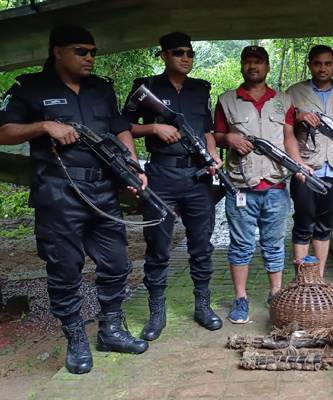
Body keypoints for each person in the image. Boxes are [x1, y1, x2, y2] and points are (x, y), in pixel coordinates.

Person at [0, 25, 148, 374]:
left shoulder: (101, 88)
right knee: (65, 270)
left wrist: (134, 167)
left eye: (93, 51)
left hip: (103, 192)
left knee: (115, 264)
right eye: (82, 51)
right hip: (58, 193)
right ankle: (76, 338)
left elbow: (120, 128)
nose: (90, 58)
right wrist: (44, 126)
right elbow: (3, 131)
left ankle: (111, 329)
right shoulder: (29, 86)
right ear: (58, 51)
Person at [123, 32, 223, 339]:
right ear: (163, 55)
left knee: (202, 246)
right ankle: (156, 313)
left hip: (198, 177)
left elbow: (206, 130)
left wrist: (214, 157)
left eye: (190, 53)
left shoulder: (199, 89)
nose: (186, 58)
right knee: (157, 247)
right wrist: (153, 127)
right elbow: (121, 126)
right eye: (179, 52)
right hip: (161, 176)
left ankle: (203, 307)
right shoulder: (147, 88)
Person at [213, 45, 305, 323]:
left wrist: (298, 163)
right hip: (241, 187)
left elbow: (289, 137)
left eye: (258, 62)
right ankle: (240, 298)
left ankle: (275, 293)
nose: (253, 66)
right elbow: (216, 136)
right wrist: (228, 139)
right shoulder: (227, 100)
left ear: (267, 66)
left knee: (274, 244)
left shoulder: (284, 100)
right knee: (240, 246)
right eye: (247, 61)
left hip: (276, 186)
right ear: (241, 66)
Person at [286, 45, 333, 277]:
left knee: (325, 225)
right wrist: (299, 117)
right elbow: (283, 130)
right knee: (302, 224)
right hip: (306, 168)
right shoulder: (294, 92)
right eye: (317, 63)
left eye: (328, 64)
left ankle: (317, 278)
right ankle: (301, 280)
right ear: (309, 65)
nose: (323, 68)